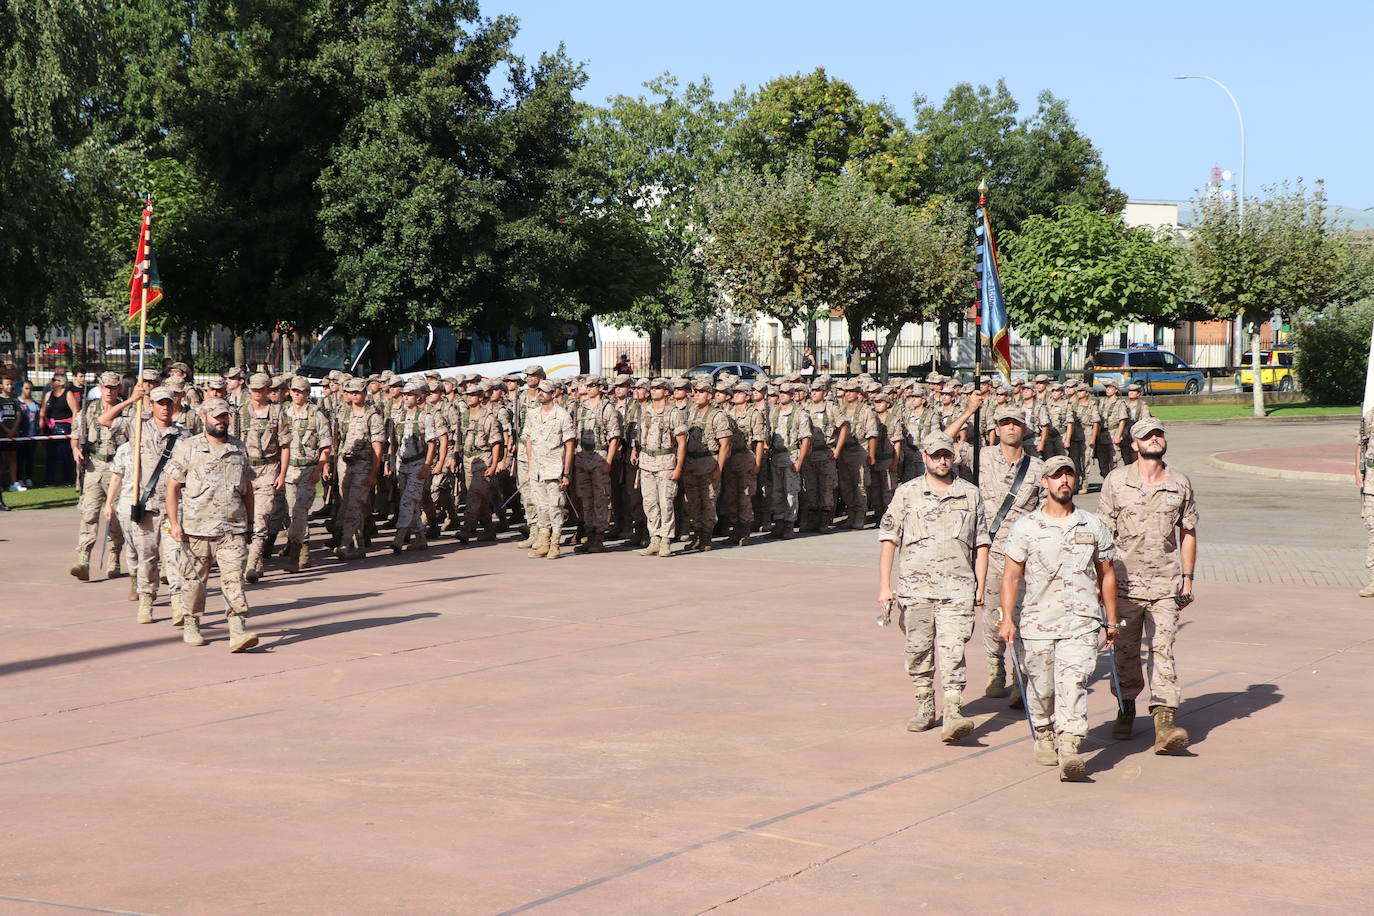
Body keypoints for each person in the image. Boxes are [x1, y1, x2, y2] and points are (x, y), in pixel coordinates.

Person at [998, 455, 1119, 782]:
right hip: (1038, 622)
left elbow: (1107, 574)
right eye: (1056, 476)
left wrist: (1111, 619)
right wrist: (1007, 617)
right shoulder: (1026, 527)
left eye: (1069, 475)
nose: (1063, 481)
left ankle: (1070, 746)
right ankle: (1045, 731)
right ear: (1045, 482)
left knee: (1073, 681)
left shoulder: (1093, 525)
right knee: (1043, 685)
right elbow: (1011, 576)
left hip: (1081, 622)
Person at [877, 431, 991, 744]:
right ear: (925, 458)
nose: (942, 460)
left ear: (954, 457)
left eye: (947, 455)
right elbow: (889, 539)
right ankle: (924, 702)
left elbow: (982, 542)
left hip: (957, 588)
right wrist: (884, 586)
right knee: (918, 649)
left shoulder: (970, 494)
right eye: (936, 455)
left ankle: (954, 709)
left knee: (953, 650)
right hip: (915, 588)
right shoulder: (907, 493)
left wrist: (980, 583)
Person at [1097, 417, 1197, 754]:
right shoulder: (1116, 482)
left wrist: (1188, 577)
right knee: (1125, 653)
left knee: (1162, 649)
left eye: (1158, 435)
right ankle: (1125, 706)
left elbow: (1188, 532)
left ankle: (1164, 721)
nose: (1154, 440)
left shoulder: (1179, 483)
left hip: (1166, 586)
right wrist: (1101, 583)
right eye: (1146, 436)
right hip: (1124, 586)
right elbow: (1102, 537)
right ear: (1135, 445)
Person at [165, 398, 259, 652]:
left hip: (233, 528)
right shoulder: (189, 448)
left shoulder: (238, 448)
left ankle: (237, 628)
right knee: (194, 581)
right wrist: (174, 523)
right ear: (203, 417)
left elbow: (248, 489)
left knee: (234, 579)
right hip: (197, 530)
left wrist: (250, 523)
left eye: (225, 416)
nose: (221, 420)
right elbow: (173, 488)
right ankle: (191, 622)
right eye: (216, 416)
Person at [976, 405, 1044, 702]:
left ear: (1024, 430)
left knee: (1022, 615)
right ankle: (996, 669)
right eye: (1005, 424)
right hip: (991, 553)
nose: (1010, 428)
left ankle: (1020, 676)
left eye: (1016, 424)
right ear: (997, 429)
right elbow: (939, 440)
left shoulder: (1039, 468)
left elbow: (1045, 513)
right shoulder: (982, 457)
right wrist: (968, 410)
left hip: (1024, 556)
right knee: (994, 612)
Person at [103, 386, 187, 625]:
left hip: (173, 508)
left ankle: (178, 604)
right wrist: (131, 400)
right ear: (151, 405)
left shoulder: (183, 436)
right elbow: (104, 419)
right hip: (145, 506)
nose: (164, 407)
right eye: (159, 403)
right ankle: (146, 602)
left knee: (174, 558)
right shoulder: (137, 427)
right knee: (147, 558)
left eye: (168, 403)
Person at [69, 371, 129, 581]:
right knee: (89, 513)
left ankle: (114, 557)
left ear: (119, 389)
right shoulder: (89, 409)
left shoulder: (127, 410)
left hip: (118, 469)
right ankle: (83, 559)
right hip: (94, 466)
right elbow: (75, 435)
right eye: (106, 387)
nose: (109, 391)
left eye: (113, 387)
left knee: (116, 516)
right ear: (100, 387)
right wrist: (76, 450)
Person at [239, 373, 289, 582]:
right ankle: (255, 560)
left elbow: (285, 446)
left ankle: (251, 565)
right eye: (254, 389)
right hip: (245, 470)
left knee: (261, 517)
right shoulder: (241, 413)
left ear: (269, 390)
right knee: (242, 519)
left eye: (262, 389)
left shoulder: (278, 413)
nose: (257, 393)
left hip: (269, 469)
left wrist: (282, 473)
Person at [282, 376, 333, 570]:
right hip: (289, 471)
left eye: (300, 391)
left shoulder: (316, 415)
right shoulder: (284, 413)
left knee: (300, 511)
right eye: (294, 390)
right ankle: (300, 547)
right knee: (291, 511)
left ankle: (298, 553)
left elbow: (326, 447)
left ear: (307, 393)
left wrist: (319, 470)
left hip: (308, 469)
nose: (296, 394)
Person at [333, 377, 385, 560]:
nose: (354, 395)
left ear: (364, 393)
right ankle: (359, 544)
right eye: (351, 392)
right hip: (345, 464)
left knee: (354, 504)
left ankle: (346, 543)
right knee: (347, 503)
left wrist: (373, 473)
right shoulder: (343, 413)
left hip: (364, 465)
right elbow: (338, 440)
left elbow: (378, 446)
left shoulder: (373, 415)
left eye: (357, 392)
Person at [635, 378, 688, 557]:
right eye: (653, 388)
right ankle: (654, 538)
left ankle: (666, 539)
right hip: (647, 462)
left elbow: (681, 443)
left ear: (667, 392)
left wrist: (678, 467)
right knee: (649, 502)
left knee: (666, 503)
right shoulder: (646, 411)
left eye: (658, 388)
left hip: (665, 461)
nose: (654, 391)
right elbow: (640, 435)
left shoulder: (674, 413)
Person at [523, 379, 575, 558]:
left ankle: (555, 544)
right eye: (539, 391)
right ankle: (544, 542)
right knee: (541, 507)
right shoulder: (532, 414)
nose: (540, 394)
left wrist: (566, 473)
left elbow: (569, 445)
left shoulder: (562, 415)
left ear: (553, 394)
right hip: (537, 469)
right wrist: (531, 466)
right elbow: (528, 441)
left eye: (544, 391)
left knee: (555, 507)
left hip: (554, 469)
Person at [681, 377, 733, 551]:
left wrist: (719, 468)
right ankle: (697, 534)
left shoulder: (718, 416)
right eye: (695, 392)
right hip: (691, 464)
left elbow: (725, 444)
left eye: (701, 392)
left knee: (708, 501)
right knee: (693, 502)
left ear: (709, 396)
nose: (696, 395)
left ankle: (707, 537)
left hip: (708, 463)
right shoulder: (690, 413)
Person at [571, 376, 621, 553]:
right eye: (587, 385)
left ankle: (598, 538)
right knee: (586, 499)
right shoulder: (581, 408)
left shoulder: (608, 409)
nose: (589, 388)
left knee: (600, 499)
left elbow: (614, 437)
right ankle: (589, 535)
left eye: (592, 385)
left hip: (599, 455)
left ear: (600, 387)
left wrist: (608, 461)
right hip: (582, 457)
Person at [390, 381, 437, 551]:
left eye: (409, 395)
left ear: (418, 397)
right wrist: (391, 462)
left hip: (418, 464)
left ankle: (400, 536)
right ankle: (420, 537)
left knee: (407, 501)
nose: (405, 398)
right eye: (404, 395)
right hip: (403, 465)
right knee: (412, 503)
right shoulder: (397, 417)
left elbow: (432, 443)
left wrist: (426, 466)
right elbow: (394, 442)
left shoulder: (426, 417)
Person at [457, 383, 505, 544]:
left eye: (473, 395)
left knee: (474, 494)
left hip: (483, 459)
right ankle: (488, 528)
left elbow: (496, 443)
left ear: (480, 397)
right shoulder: (463, 416)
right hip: (467, 459)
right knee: (481, 497)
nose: (469, 398)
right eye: (468, 395)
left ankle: (466, 529)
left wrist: (493, 465)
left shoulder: (488, 417)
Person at [766, 381, 813, 538]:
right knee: (776, 492)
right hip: (776, 456)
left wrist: (800, 461)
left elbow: (806, 439)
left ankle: (789, 524)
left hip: (791, 456)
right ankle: (779, 523)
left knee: (791, 493)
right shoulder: (774, 412)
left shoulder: (800, 414)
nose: (782, 396)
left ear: (793, 396)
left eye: (785, 393)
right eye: (781, 393)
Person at [41, 372, 78, 486]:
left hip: (65, 429)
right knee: (51, 455)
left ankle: (66, 480)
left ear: (62, 382)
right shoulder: (48, 395)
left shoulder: (68, 394)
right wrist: (41, 429)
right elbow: (43, 411)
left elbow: (75, 411)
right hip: (50, 428)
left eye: (54, 379)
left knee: (65, 455)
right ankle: (49, 481)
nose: (51, 382)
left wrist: (74, 428)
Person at [1, 376, 22, 495]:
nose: (9, 387)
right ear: (2, 385)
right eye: (7, 384)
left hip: (13, 434)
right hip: (2, 434)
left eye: (11, 384)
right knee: (2, 460)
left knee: (12, 458)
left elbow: (18, 416)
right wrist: (6, 430)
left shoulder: (15, 400)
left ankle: (14, 483)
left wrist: (13, 430)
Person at [17, 379, 39, 489]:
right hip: (20, 435)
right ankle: (19, 478)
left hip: (32, 434)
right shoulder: (17, 402)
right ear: (21, 388)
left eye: (30, 389)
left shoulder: (35, 404)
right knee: (20, 458)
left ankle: (29, 478)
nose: (28, 391)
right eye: (26, 388)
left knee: (30, 457)